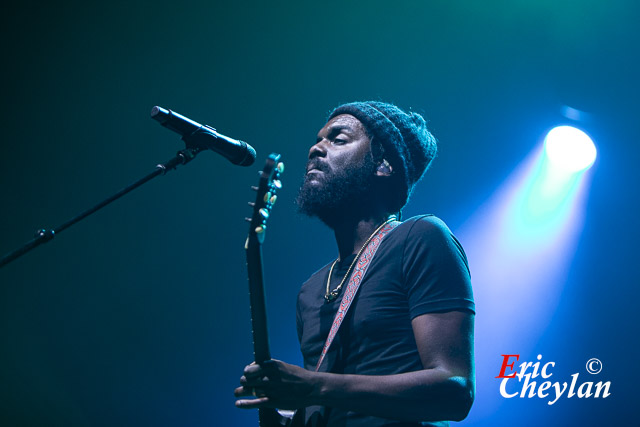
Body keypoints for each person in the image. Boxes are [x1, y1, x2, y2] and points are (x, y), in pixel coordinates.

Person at [235, 101, 475, 426]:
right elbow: (328, 400)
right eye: (318, 139)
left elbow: (454, 391)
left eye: (338, 139)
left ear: (384, 164)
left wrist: (313, 385)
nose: (315, 149)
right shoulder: (311, 289)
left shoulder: (420, 237)